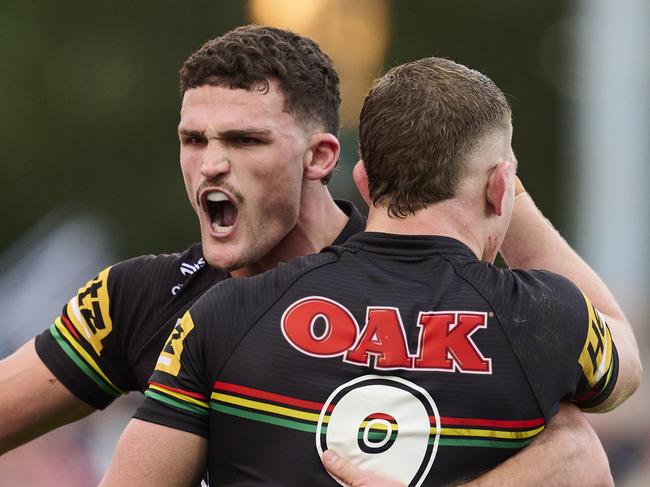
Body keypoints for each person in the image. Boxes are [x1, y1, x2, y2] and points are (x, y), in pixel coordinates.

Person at [0, 26, 613, 486]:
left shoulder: (424, 284)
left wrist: (499, 180)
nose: (211, 163)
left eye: (244, 140)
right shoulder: (143, 297)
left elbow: (577, 455)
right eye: (194, 139)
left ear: (321, 157)